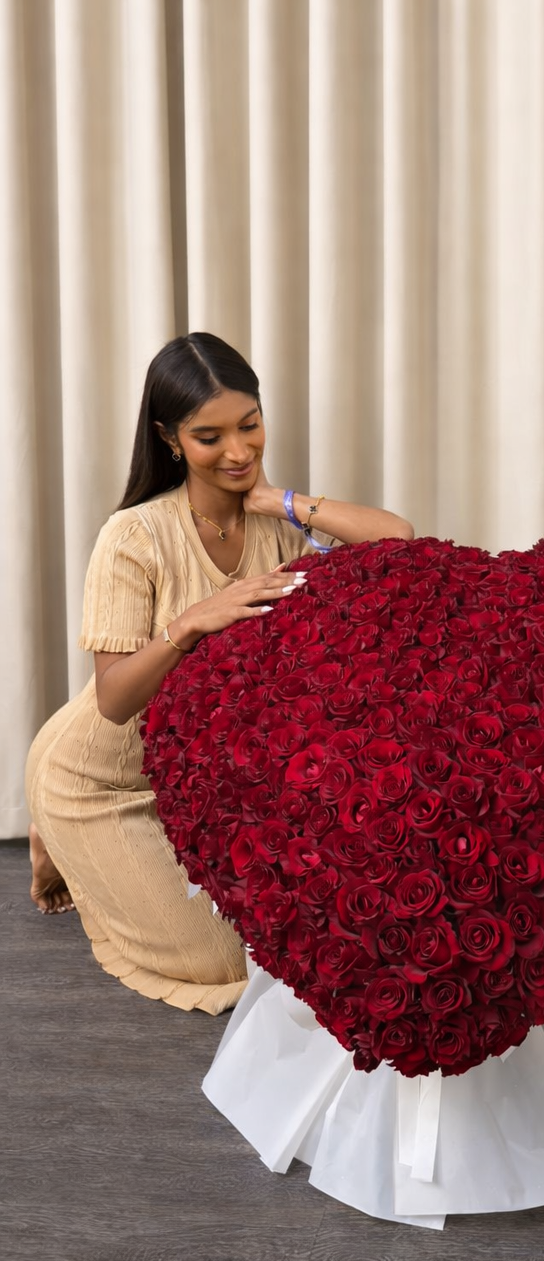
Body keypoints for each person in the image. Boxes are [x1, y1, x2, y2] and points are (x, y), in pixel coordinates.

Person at [25, 332, 413, 1013]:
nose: (237, 451)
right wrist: (191, 622)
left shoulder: (278, 528)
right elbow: (114, 700)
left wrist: (279, 501)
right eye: (210, 437)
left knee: (299, 934)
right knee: (228, 962)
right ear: (169, 439)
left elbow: (400, 543)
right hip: (101, 777)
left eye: (249, 425)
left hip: (205, 781)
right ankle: (57, 832)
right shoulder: (134, 536)